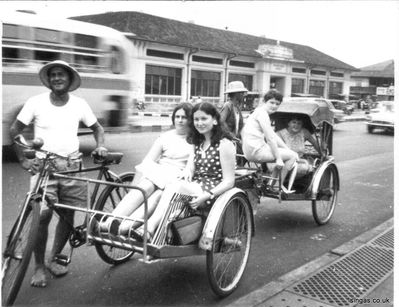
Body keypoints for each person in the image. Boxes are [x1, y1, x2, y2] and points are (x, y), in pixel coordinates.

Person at [9, 60, 108, 287]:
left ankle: (54, 258)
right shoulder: (36, 102)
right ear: (49, 79)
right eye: (52, 75)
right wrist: (24, 159)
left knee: (67, 214)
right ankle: (38, 267)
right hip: (44, 166)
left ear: (69, 79)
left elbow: (97, 128)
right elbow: (14, 130)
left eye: (61, 74)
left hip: (72, 165)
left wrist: (100, 145)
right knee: (41, 216)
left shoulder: (80, 104)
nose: (56, 78)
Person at [131, 102, 236, 242]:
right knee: (161, 193)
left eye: (204, 119)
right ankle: (129, 226)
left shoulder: (224, 145)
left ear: (215, 120)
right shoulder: (197, 142)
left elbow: (229, 181)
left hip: (212, 191)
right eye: (197, 120)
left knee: (174, 186)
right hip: (195, 186)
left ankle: (149, 228)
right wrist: (187, 171)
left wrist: (207, 195)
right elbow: (191, 167)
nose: (199, 123)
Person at [101, 103, 193, 235]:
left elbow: (192, 165)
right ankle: (110, 221)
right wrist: (135, 184)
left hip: (177, 178)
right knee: (145, 187)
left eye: (184, 117)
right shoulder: (166, 136)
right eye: (177, 116)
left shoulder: (194, 140)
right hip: (160, 173)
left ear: (190, 119)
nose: (180, 120)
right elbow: (148, 161)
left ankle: (123, 227)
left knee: (156, 197)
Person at [241, 89, 298, 193]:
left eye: (277, 104)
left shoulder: (257, 111)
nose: (274, 106)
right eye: (271, 102)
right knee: (292, 156)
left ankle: (271, 185)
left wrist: (287, 149)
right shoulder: (262, 114)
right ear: (264, 102)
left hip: (250, 150)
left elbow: (273, 135)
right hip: (256, 152)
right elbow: (270, 139)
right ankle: (277, 187)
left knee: (288, 153)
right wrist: (279, 158)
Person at [276, 115, 323, 189]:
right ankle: (283, 183)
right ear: (288, 123)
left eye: (299, 123)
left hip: (299, 161)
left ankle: (289, 182)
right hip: (282, 160)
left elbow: (315, 143)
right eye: (293, 122)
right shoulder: (279, 134)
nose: (296, 125)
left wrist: (323, 154)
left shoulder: (304, 132)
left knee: (304, 168)